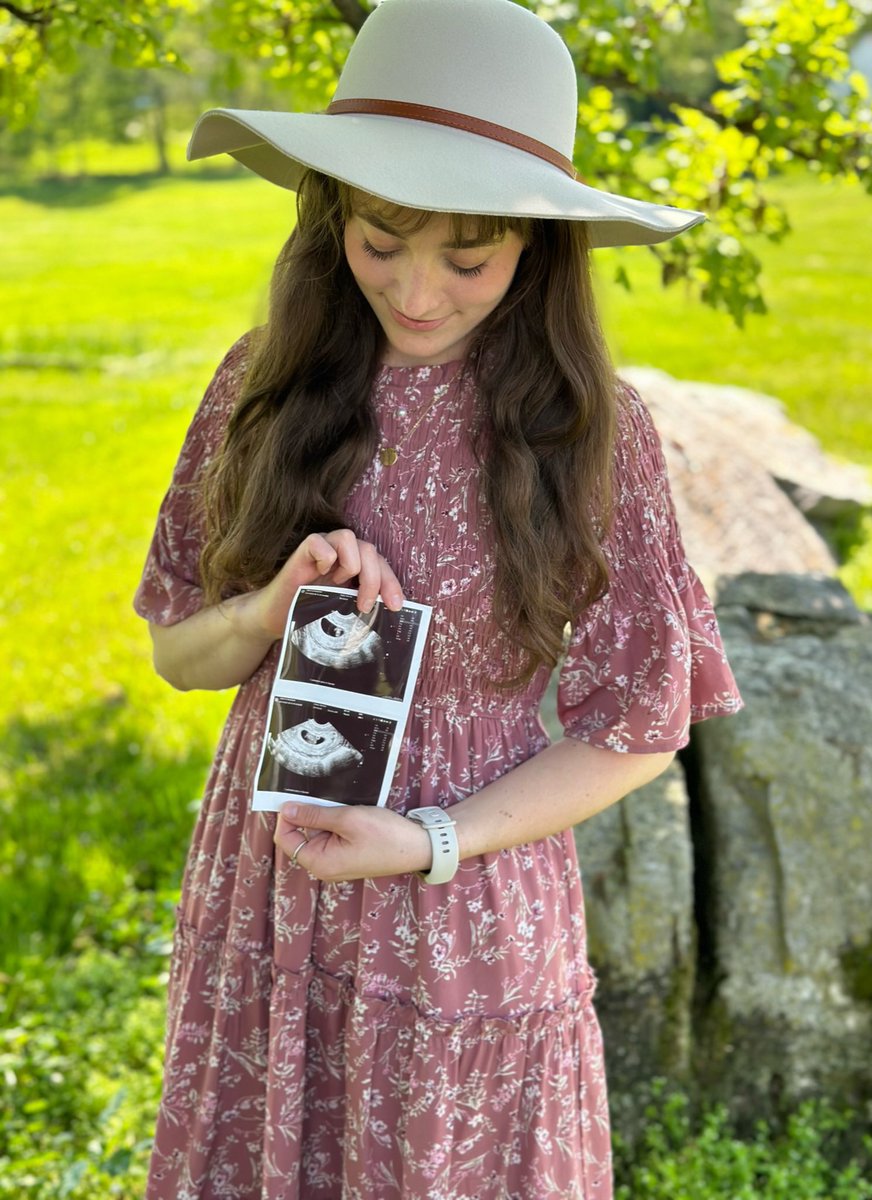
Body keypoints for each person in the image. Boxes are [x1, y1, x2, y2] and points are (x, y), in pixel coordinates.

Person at [134, 1, 742, 1196]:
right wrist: (263, 615)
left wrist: (423, 842)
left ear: (537, 242)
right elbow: (176, 655)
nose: (415, 292)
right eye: (379, 238)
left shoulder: (591, 435)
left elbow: (637, 728)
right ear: (332, 214)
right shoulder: (258, 388)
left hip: (464, 907)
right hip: (275, 890)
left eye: (467, 256)